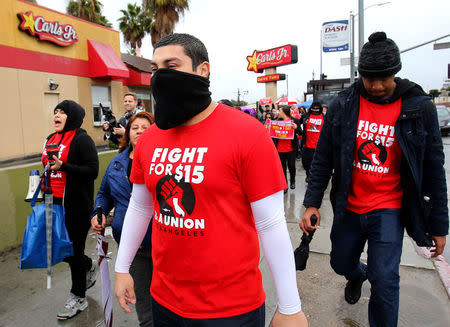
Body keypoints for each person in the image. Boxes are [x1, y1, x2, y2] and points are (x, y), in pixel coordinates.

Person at [114, 33, 308, 327]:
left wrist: (290, 306)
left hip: (231, 309)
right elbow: (140, 207)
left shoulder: (247, 134)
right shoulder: (149, 140)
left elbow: (270, 223)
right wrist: (121, 267)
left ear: (203, 70)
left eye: (172, 65)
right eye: (155, 68)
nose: (160, 76)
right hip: (164, 301)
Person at [300, 32, 448, 327]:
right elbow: (323, 158)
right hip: (349, 206)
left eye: (385, 78)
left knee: (386, 280)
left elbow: (434, 168)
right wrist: (311, 203)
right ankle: (357, 274)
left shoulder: (419, 108)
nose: (378, 86)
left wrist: (439, 225)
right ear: (361, 75)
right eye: (370, 79)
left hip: (389, 210)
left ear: (396, 73)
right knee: (340, 263)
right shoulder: (343, 105)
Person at [91, 112, 155, 326]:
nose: (139, 131)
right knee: (144, 307)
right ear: (128, 133)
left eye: (145, 127)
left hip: (164, 246)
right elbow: (104, 195)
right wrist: (98, 211)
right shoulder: (116, 163)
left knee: (170, 304)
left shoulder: (163, 162)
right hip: (133, 249)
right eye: (135, 127)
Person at [41, 100, 99, 320]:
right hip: (53, 203)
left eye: (62, 112)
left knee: (73, 250)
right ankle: (88, 264)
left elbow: (92, 170)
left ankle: (79, 297)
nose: (57, 115)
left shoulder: (82, 139)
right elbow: (47, 167)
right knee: (61, 249)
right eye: (55, 111)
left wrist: (64, 166)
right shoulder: (49, 139)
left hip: (76, 206)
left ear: (72, 116)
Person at [272, 106, 301, 192]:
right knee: (282, 168)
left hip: (291, 148)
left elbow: (301, 132)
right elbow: (273, 134)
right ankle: (285, 185)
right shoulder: (277, 121)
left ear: (284, 112)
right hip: (280, 148)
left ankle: (292, 181)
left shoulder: (295, 121)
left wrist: (296, 127)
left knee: (291, 166)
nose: (278, 113)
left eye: (279, 111)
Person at [301, 102, 325, 182]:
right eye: (314, 107)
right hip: (307, 145)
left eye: (317, 107)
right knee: (306, 163)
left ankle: (318, 178)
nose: (315, 108)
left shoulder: (324, 117)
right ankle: (308, 175)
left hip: (320, 146)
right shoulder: (305, 116)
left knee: (319, 164)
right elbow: (297, 123)